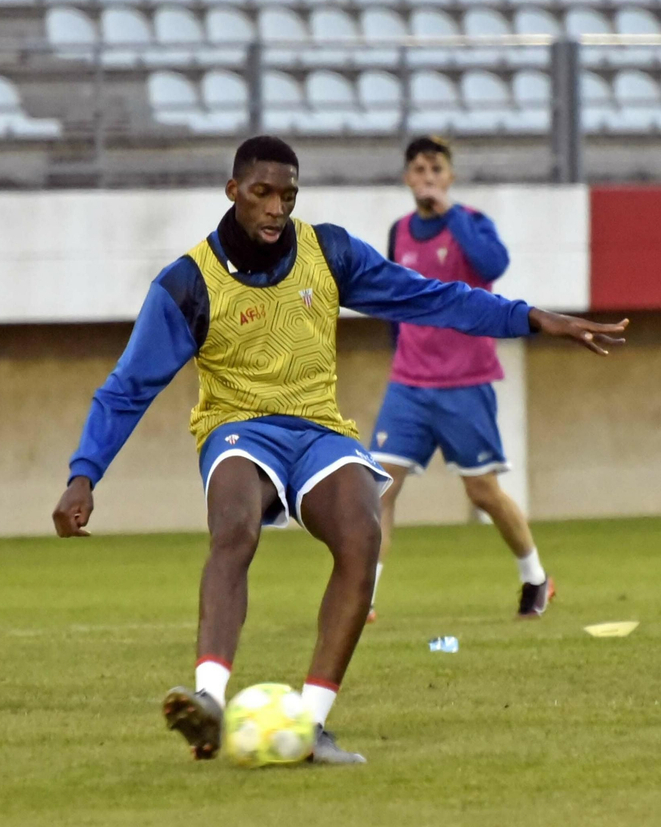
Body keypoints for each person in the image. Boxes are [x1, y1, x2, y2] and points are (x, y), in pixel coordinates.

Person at [51, 136, 627, 763]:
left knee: (362, 535)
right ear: (233, 191)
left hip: (320, 428)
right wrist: (85, 474)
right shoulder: (188, 284)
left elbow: (431, 297)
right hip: (238, 427)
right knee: (235, 528)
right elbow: (126, 388)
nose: (276, 207)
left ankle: (309, 727)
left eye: (288, 196)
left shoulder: (328, 252)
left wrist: (534, 318)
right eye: (263, 193)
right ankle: (208, 699)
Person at [366, 136, 551, 622]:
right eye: (419, 169)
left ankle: (535, 577)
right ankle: (362, 598)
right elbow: (392, 299)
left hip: (464, 383)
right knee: (378, 489)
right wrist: (398, 350)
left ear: (449, 176)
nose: (427, 177)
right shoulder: (399, 232)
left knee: (482, 492)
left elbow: (494, 266)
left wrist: (450, 213)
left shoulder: (471, 223)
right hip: (408, 385)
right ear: (407, 177)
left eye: (436, 169)